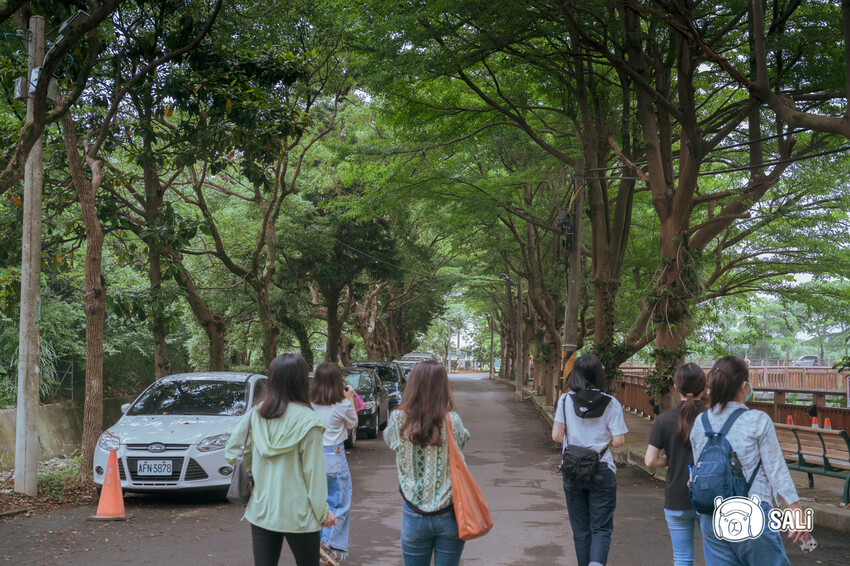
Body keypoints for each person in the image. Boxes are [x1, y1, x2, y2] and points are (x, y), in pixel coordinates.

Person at [690, 356, 809, 566]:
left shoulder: (701, 422)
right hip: (751, 514)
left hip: (711, 516)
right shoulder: (757, 420)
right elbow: (776, 470)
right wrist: (796, 510)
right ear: (745, 386)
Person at [225, 353, 337, 566]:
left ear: (272, 379)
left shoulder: (256, 414)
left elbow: (232, 453)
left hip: (262, 509)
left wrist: (258, 472)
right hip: (300, 514)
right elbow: (313, 475)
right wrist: (323, 512)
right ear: (302, 381)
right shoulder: (309, 421)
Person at [384, 360, 470, 566]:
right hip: (450, 514)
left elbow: (389, 440)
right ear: (443, 386)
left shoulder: (397, 420)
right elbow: (464, 439)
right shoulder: (453, 421)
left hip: (413, 514)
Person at [551, 354, 628, 566]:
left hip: (573, 470)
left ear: (575, 373)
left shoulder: (565, 400)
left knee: (581, 530)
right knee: (601, 528)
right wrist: (602, 439)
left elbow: (557, 436)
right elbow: (619, 441)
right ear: (598, 374)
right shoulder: (611, 403)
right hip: (602, 470)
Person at [645, 363, 708, 566]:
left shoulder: (664, 420)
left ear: (675, 386)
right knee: (716, 557)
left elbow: (650, 460)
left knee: (682, 557)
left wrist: (670, 459)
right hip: (711, 496)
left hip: (677, 496)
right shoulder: (714, 419)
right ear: (704, 387)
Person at [311, 362, 358, 563]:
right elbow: (353, 423)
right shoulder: (343, 404)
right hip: (333, 454)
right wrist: (350, 398)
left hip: (311, 456)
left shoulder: (309, 403)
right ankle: (327, 543)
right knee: (339, 501)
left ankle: (317, 543)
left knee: (317, 500)